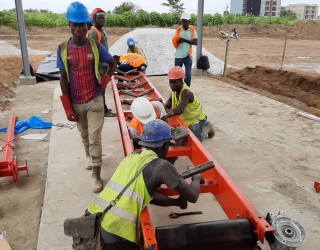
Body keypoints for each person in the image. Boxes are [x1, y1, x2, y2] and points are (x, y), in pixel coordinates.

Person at [87, 119, 204, 249]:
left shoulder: (131, 158)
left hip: (93, 219)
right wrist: (196, 178)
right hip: (116, 233)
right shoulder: (162, 166)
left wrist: (176, 202)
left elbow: (146, 195)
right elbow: (193, 196)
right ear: (165, 145)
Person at [57, 2, 117, 193]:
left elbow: (113, 64)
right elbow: (63, 78)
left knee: (94, 137)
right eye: (75, 24)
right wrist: (67, 106)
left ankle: (96, 176)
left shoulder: (95, 46)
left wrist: (104, 81)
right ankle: (88, 157)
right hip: (75, 101)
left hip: (94, 99)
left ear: (87, 25)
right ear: (69, 25)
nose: (78, 29)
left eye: (82, 25)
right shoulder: (63, 49)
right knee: (84, 135)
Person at [165, 66, 215, 142]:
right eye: (170, 81)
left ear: (181, 81)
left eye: (175, 82)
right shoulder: (174, 92)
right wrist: (163, 109)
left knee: (196, 141)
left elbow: (179, 110)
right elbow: (167, 104)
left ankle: (207, 127)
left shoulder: (186, 93)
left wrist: (165, 114)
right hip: (187, 121)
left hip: (197, 119)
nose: (172, 84)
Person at [87, 7, 116, 117]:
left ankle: (104, 108)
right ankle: (103, 111)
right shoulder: (93, 32)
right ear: (93, 19)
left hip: (104, 64)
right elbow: (92, 51)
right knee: (100, 88)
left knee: (102, 88)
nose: (102, 20)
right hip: (98, 65)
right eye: (99, 18)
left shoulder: (101, 31)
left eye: (103, 18)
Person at [172, 12, 197, 87]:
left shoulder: (192, 31)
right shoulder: (178, 30)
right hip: (178, 56)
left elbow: (196, 42)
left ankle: (186, 90)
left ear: (189, 22)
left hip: (187, 56)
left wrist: (184, 40)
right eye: (182, 21)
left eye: (185, 21)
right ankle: (177, 89)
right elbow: (175, 40)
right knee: (176, 75)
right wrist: (177, 41)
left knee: (188, 75)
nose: (183, 23)